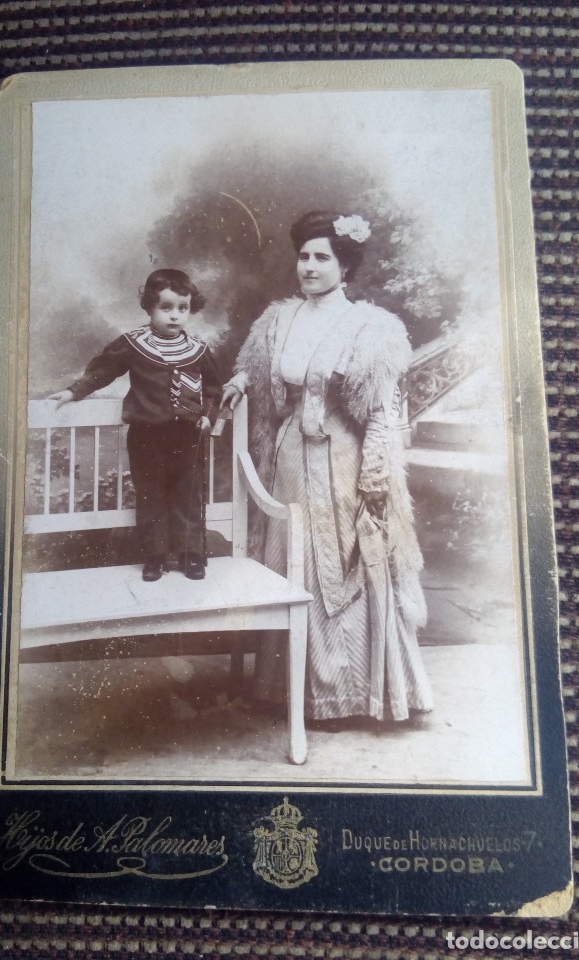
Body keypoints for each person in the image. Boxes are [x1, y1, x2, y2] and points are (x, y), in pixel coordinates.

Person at [222, 211, 433, 723]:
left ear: (345, 265)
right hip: (291, 458)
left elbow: (382, 412)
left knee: (348, 560)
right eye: (304, 256)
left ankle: (361, 693)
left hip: (344, 459)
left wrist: (376, 478)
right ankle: (292, 690)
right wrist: (238, 383)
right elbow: (254, 365)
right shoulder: (278, 319)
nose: (309, 267)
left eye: (322, 257)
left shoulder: (370, 327)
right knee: (294, 556)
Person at [49, 268, 222, 582]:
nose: (174, 316)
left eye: (182, 308)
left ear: (191, 309)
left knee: (189, 493)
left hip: (189, 435)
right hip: (147, 436)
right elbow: (103, 371)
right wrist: (76, 390)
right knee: (151, 495)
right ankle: (154, 557)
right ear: (149, 308)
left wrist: (208, 414)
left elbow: (212, 388)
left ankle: (190, 555)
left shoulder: (197, 349)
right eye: (166, 308)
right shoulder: (134, 344)